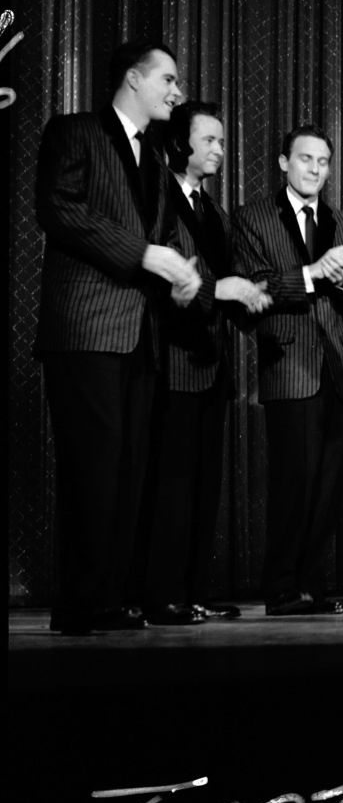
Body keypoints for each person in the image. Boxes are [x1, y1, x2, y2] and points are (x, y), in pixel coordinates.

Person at [35, 39, 202, 636]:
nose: (177, 92)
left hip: (139, 336)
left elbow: (160, 242)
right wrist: (144, 254)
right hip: (85, 329)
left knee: (128, 470)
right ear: (133, 78)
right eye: (169, 79)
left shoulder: (154, 159)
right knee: (93, 469)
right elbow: (58, 208)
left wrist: (182, 275)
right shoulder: (75, 132)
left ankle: (107, 597)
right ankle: (80, 601)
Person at [139, 101, 272, 626]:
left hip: (210, 368)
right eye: (210, 140)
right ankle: (160, 594)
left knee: (201, 487)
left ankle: (190, 591)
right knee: (169, 485)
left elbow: (226, 282)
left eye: (221, 140)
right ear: (180, 144)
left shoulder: (214, 211)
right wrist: (225, 288)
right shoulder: (159, 196)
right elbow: (170, 275)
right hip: (169, 362)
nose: (220, 149)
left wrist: (249, 300)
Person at [231, 123, 343, 616]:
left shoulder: (342, 221)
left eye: (323, 162)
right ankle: (282, 589)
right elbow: (254, 290)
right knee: (293, 484)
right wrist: (314, 273)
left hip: (335, 368)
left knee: (328, 487)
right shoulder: (253, 218)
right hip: (289, 365)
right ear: (283, 163)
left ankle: (311, 586)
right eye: (306, 159)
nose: (315, 169)